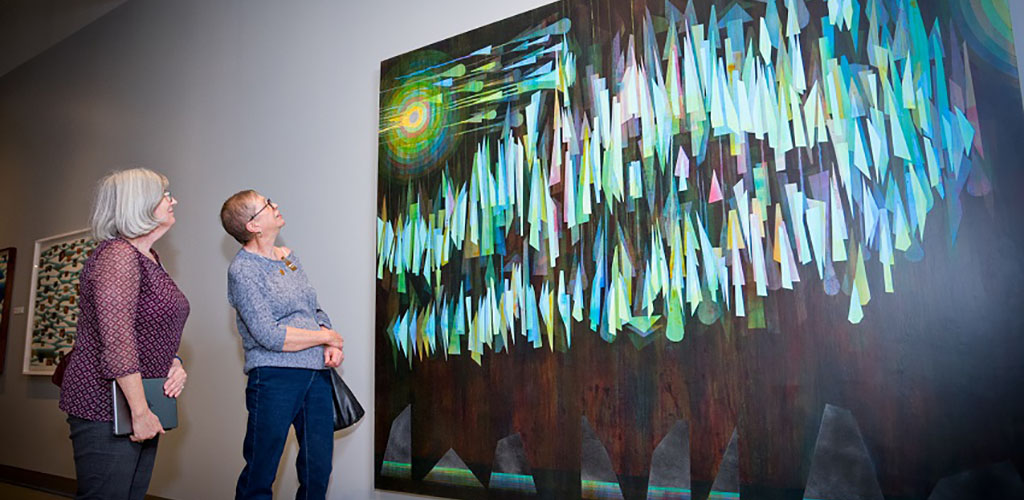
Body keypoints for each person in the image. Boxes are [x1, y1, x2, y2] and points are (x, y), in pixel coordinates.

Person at [58, 168, 190, 500]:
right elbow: (117, 340)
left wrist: (173, 361)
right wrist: (140, 411)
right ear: (139, 204)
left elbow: (147, 328)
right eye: (164, 194)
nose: (173, 200)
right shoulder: (117, 255)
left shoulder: (149, 257)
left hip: (138, 400)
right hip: (107, 405)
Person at [220, 190, 344, 500]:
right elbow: (269, 335)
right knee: (261, 471)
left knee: (318, 470)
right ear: (253, 225)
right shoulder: (242, 270)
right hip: (274, 377)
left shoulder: (289, 257)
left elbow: (312, 308)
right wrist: (325, 337)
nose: (275, 205)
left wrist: (328, 334)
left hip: (316, 374)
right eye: (266, 204)